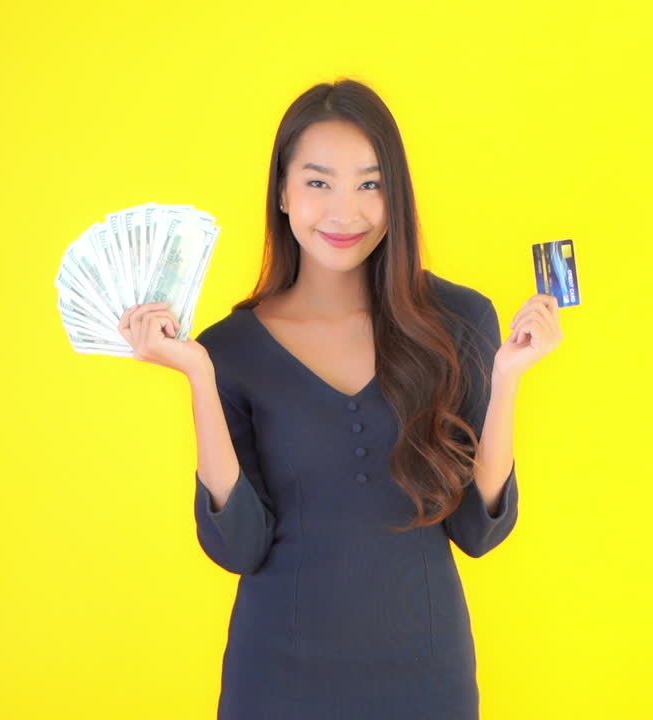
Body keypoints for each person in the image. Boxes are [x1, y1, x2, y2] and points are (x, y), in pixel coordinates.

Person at [116, 79, 563, 718]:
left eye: (370, 184)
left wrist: (510, 377)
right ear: (283, 192)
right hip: (278, 675)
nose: (344, 212)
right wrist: (198, 375)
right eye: (319, 183)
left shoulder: (460, 320)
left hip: (426, 675)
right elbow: (238, 546)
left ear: (396, 195)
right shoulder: (229, 348)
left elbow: (478, 528)